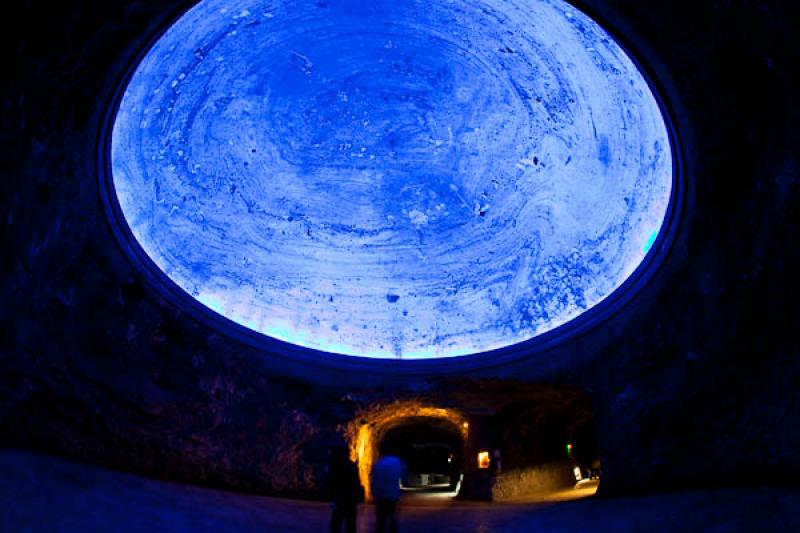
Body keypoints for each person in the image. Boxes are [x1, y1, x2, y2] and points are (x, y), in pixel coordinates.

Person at [324, 445, 364, 533]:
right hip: (351, 500)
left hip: (339, 499)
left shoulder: (335, 466)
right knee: (351, 524)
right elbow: (357, 483)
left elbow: (329, 483)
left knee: (336, 524)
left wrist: (331, 498)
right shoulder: (352, 466)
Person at [370, 453, 405, 533]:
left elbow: (375, 480)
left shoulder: (380, 463)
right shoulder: (398, 462)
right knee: (392, 516)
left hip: (382, 495)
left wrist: (374, 493)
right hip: (394, 494)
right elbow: (402, 476)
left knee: (381, 519)